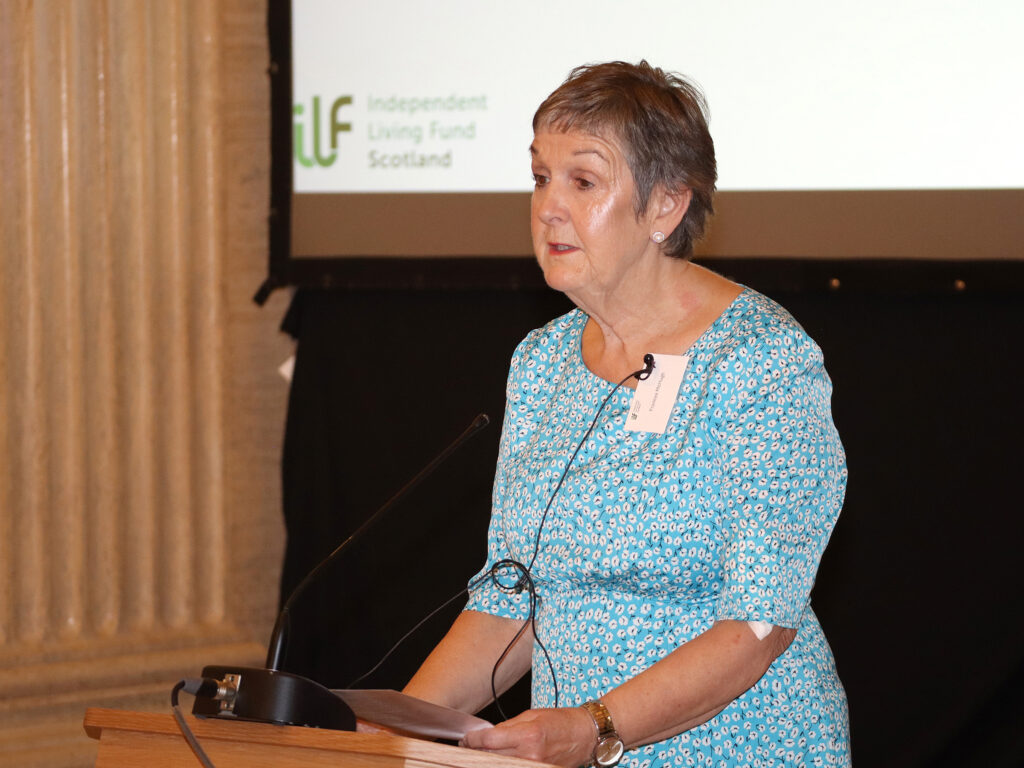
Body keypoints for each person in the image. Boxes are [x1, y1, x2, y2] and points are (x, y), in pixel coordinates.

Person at [403, 60, 850, 767]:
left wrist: (594, 727)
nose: (549, 207)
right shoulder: (541, 363)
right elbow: (511, 603)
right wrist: (394, 731)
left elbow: (760, 623)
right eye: (540, 177)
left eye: (583, 181)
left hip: (739, 749)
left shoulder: (761, 360)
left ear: (665, 207)